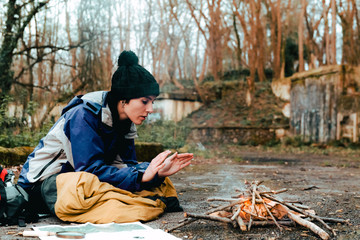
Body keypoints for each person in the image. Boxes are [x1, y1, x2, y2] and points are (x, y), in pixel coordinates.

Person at [18, 50, 193, 216]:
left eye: (152, 102)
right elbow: (89, 170)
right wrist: (141, 175)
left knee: (155, 183)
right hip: (42, 186)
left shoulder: (127, 122)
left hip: (85, 180)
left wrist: (156, 173)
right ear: (123, 99)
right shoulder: (83, 115)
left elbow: (127, 167)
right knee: (100, 192)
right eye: (144, 101)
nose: (150, 109)